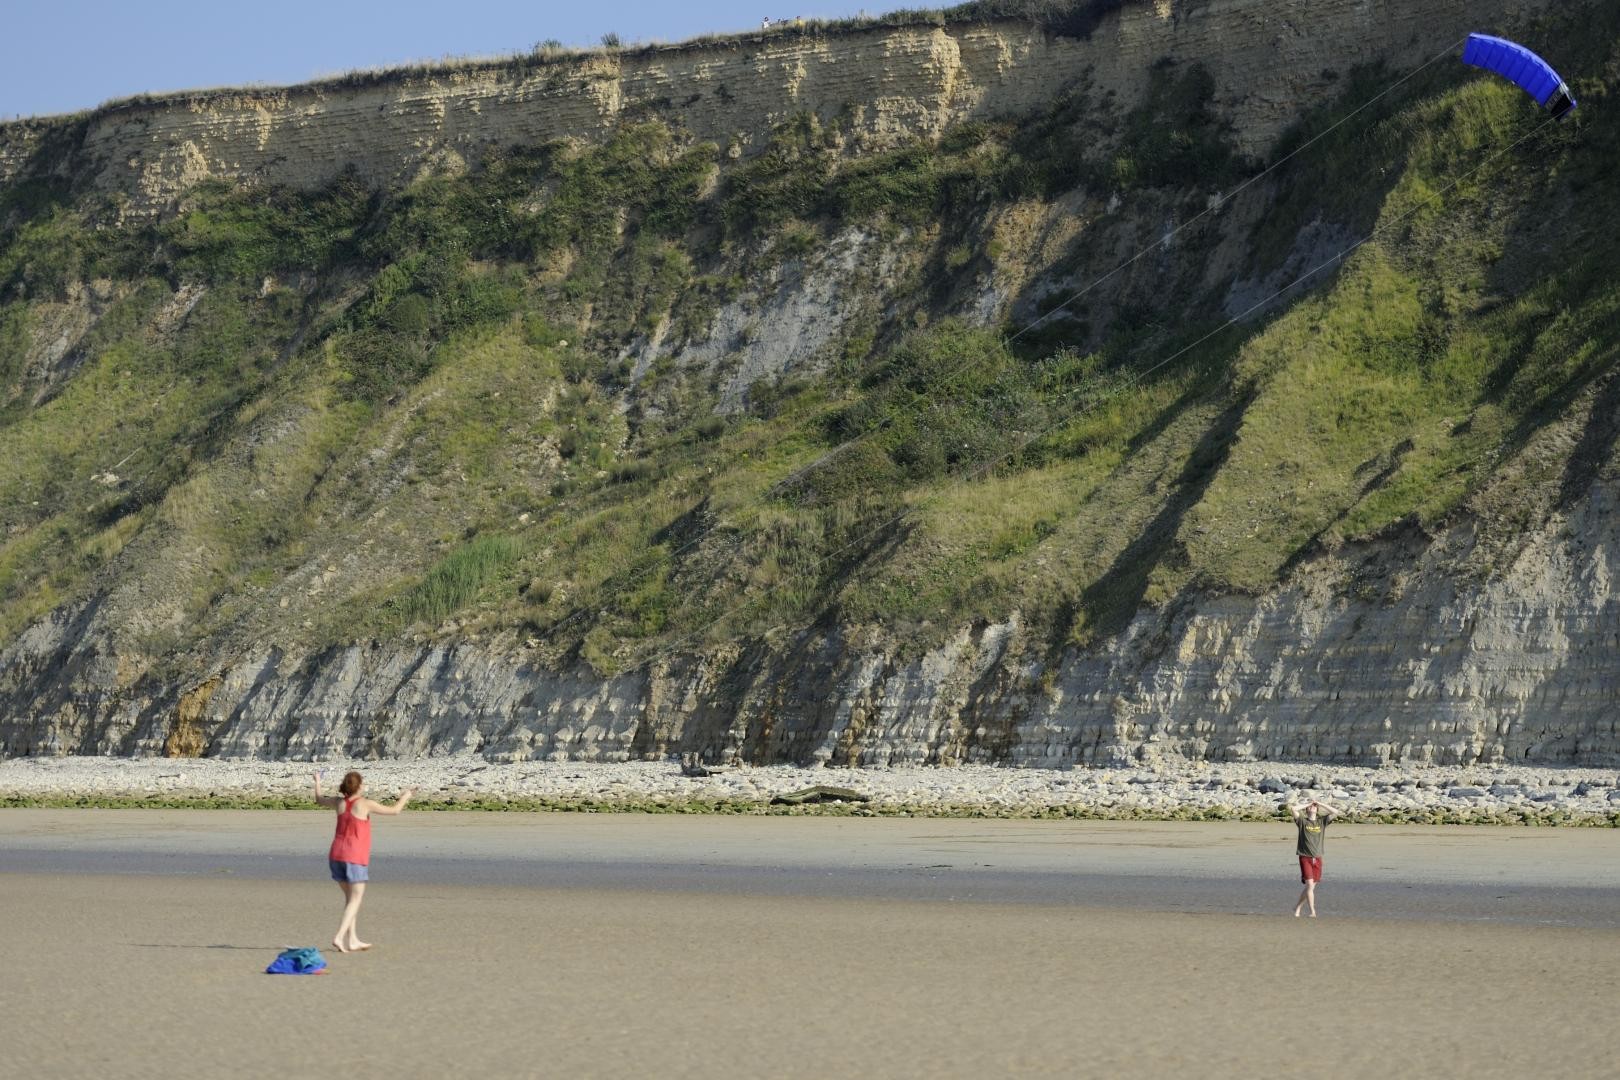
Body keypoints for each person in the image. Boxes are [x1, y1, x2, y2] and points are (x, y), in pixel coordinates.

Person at [314, 770, 414, 953]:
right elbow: (395, 811)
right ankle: (339, 936)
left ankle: (352, 940)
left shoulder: (339, 802)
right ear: (359, 786)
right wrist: (406, 795)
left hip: (336, 855)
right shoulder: (364, 804)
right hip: (354, 856)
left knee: (350, 900)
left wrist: (318, 781)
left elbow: (319, 799)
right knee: (356, 899)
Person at [1288, 795, 1338, 917]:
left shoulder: (1322, 822)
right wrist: (1308, 804)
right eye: (1311, 807)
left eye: (1314, 807)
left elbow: (1335, 812)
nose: (1313, 807)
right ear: (1306, 810)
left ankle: (1297, 908)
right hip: (1305, 857)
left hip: (1318, 858)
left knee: (1310, 888)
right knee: (1309, 885)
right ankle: (1312, 911)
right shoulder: (1302, 822)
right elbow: (1293, 809)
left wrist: (1319, 803)